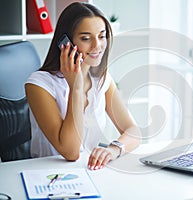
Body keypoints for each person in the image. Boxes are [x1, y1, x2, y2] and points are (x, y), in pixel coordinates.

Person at [25, 2, 141, 170]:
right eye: (86, 38)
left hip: (88, 170)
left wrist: (114, 149)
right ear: (65, 43)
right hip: (47, 174)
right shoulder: (39, 84)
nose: (97, 46)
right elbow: (70, 152)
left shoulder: (101, 79)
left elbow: (133, 131)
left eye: (101, 36)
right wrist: (76, 87)